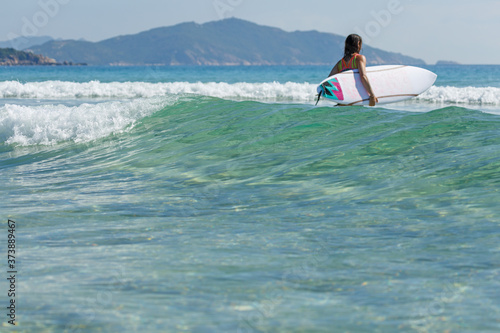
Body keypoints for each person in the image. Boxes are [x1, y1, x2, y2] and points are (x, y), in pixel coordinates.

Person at [328, 34, 378, 106]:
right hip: (356, 97)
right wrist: (372, 95)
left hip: (344, 100)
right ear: (358, 44)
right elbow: (363, 76)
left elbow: (329, 79)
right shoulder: (359, 58)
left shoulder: (340, 63)